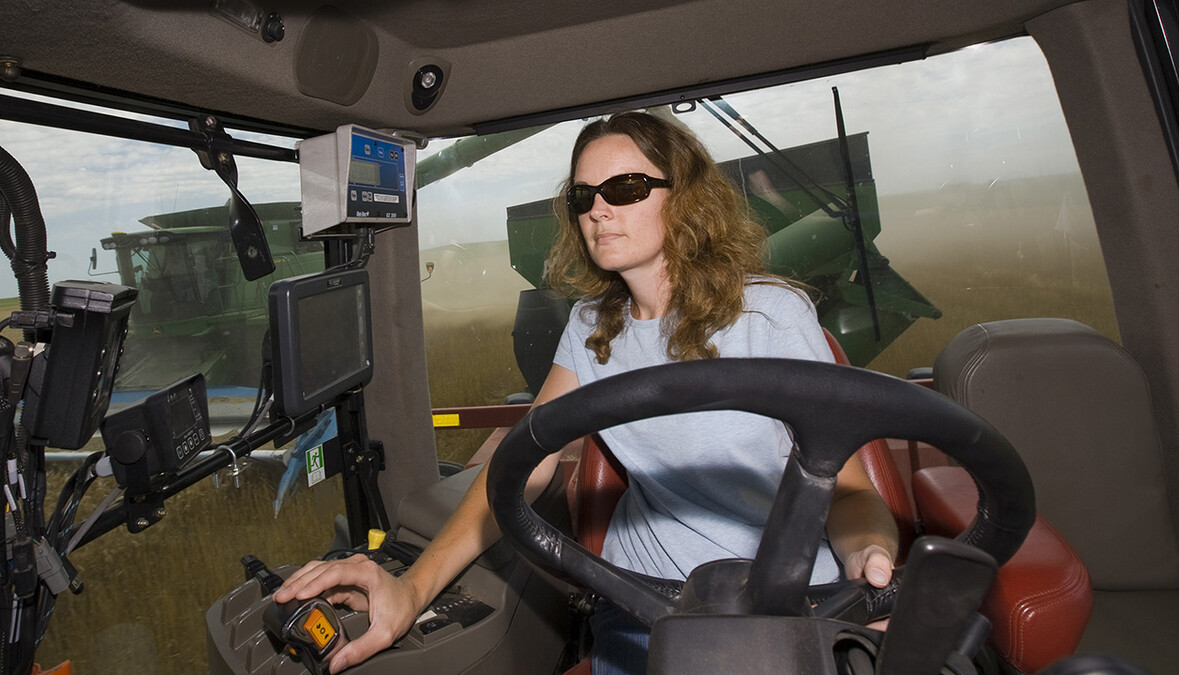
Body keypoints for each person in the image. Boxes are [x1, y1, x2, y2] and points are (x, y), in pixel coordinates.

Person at [275, 111, 900, 674]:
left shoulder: (771, 316)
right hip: (644, 603)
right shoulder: (591, 326)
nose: (598, 209)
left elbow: (846, 491)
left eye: (625, 189)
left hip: (788, 601)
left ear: (684, 199)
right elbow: (521, 465)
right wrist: (410, 590)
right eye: (584, 196)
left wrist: (868, 562)